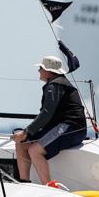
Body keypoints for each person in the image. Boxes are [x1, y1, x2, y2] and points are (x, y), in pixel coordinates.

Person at [12, 56, 87, 185]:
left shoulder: (55, 85)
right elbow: (47, 115)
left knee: (34, 150)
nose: (39, 71)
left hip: (71, 128)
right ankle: (24, 183)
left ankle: (49, 188)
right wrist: (26, 135)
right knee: (22, 143)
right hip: (61, 126)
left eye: (41, 68)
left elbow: (47, 113)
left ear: (49, 71)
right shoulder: (55, 83)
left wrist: (26, 132)